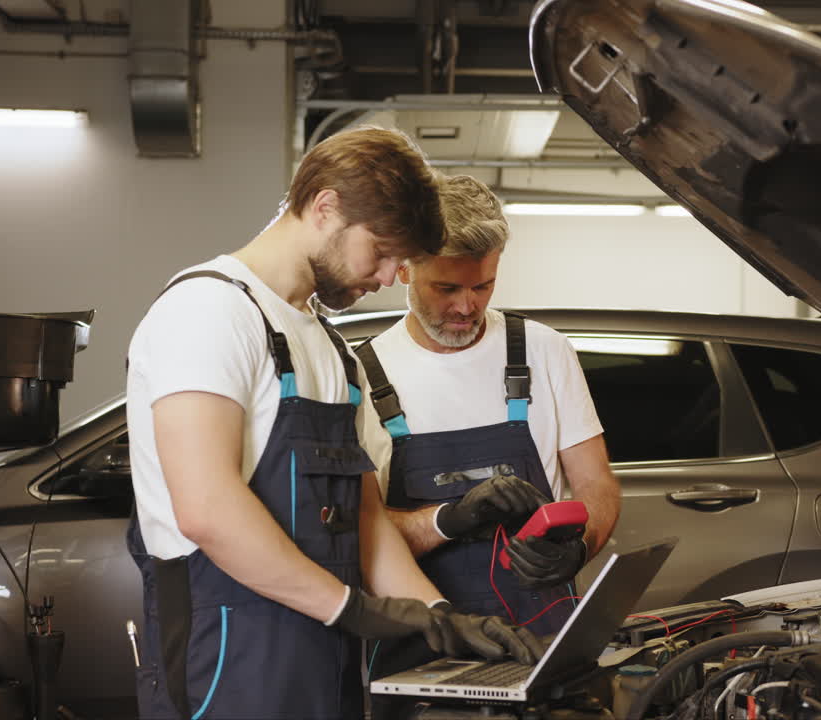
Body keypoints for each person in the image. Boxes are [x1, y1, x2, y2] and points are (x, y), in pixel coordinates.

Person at [124, 129, 542, 720]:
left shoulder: (331, 349)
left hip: (326, 656)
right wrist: (352, 609)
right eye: (385, 251)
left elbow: (365, 516)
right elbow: (207, 508)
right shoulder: (208, 313)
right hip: (226, 659)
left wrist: (442, 616)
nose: (393, 275)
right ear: (326, 208)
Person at [360, 174, 621, 717]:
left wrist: (582, 545)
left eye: (483, 286)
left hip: (544, 635)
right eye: (447, 288)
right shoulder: (364, 376)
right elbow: (364, 530)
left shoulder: (543, 352)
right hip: (424, 647)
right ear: (405, 269)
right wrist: (449, 518)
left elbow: (596, 483)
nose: (467, 306)